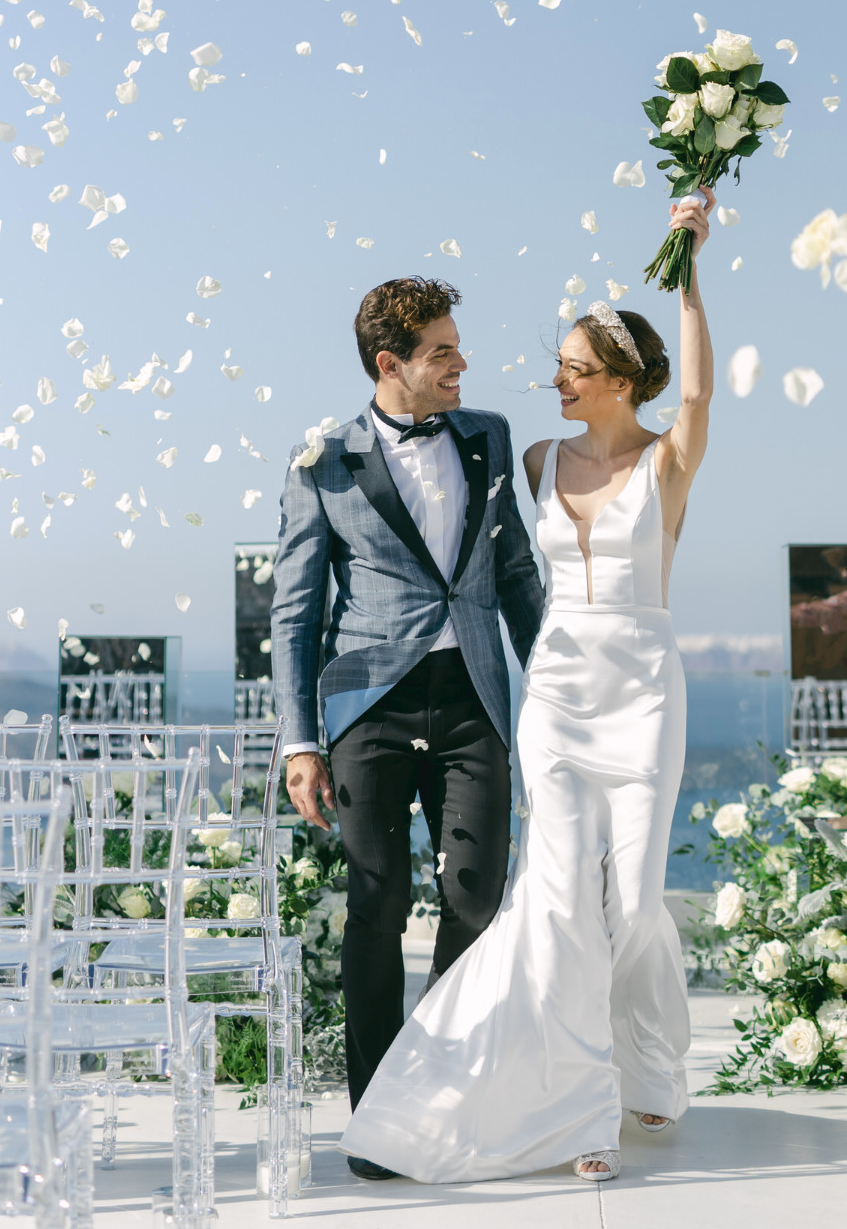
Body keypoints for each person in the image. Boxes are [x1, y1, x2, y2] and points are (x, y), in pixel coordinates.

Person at [341, 189, 715, 1184]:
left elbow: (703, 395)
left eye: (574, 369)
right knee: (554, 905)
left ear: (621, 380)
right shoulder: (536, 455)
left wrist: (690, 264)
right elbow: (470, 557)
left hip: (641, 690)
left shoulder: (668, 461)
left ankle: (651, 1068)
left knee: (632, 906)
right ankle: (578, 1112)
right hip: (556, 687)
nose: (555, 378)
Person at [270, 277, 545, 1181]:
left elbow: (516, 578)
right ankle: (377, 1120)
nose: (462, 363)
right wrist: (300, 740)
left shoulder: (489, 436)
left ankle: (439, 1092)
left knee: (474, 897)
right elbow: (296, 615)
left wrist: (548, 691)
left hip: (474, 698)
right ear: (391, 366)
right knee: (378, 902)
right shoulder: (323, 460)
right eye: (443, 352)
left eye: (459, 347)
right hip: (367, 708)